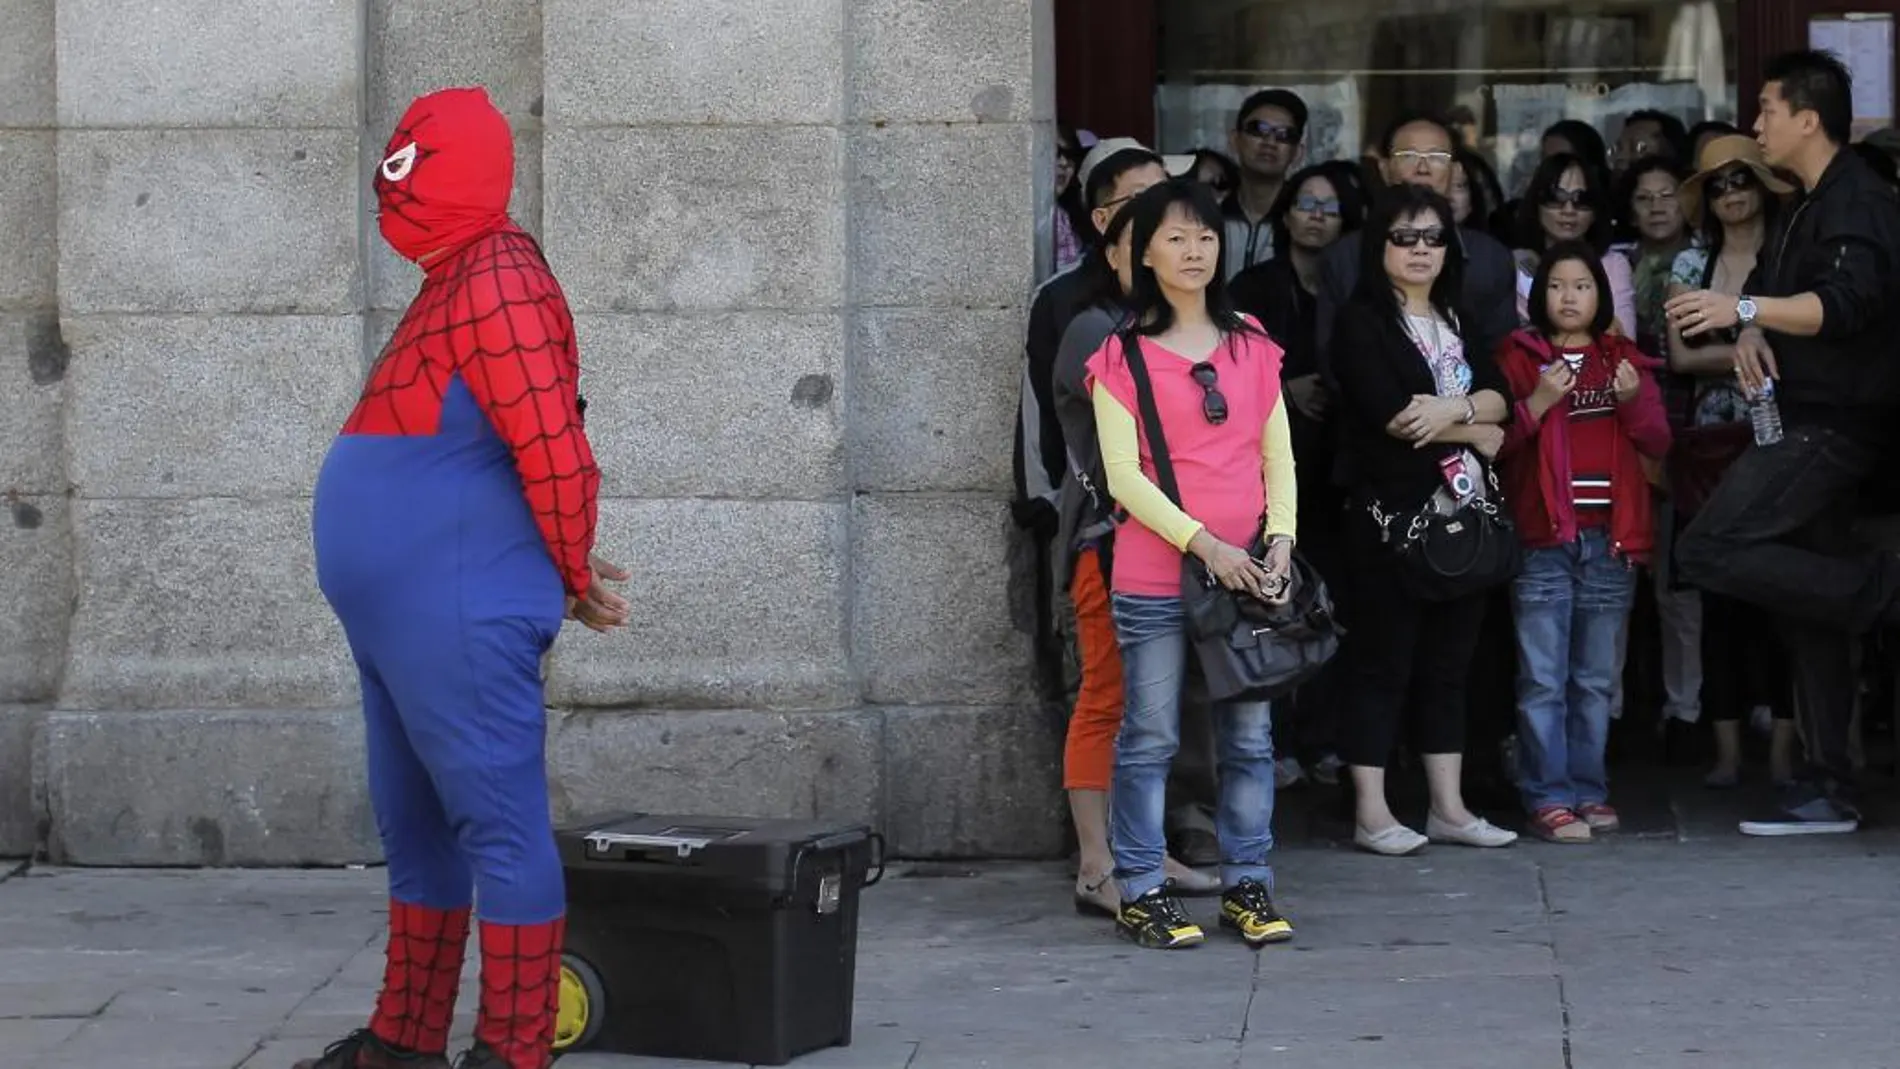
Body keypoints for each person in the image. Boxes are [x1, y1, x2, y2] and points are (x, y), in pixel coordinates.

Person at [300, 87, 630, 1069]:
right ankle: (404, 1039)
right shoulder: (457, 279)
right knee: (416, 827)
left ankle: (514, 1047)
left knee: (496, 826)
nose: (390, 187)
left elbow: (555, 448)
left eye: (409, 167)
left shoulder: (497, 280)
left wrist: (570, 569)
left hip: (454, 598)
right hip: (402, 609)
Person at [1668, 49, 1900, 835]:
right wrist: (1753, 329)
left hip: (1836, 427)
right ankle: (1831, 789)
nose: (1755, 123)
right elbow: (1780, 305)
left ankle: (1879, 590)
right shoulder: (1803, 201)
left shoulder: (1860, 200)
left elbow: (1842, 306)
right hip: (1798, 414)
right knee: (1811, 618)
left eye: (1766, 108)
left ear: (1808, 117)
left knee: (1705, 549)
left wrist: (1739, 312)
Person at [1084, 179, 1297, 949]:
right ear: (1143, 253)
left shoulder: (1253, 343)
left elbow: (1277, 450)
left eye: (1205, 235)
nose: (1194, 249)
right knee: (1149, 735)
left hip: (1249, 577)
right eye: (1175, 237)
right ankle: (1140, 886)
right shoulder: (1121, 354)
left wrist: (1281, 540)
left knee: (1249, 740)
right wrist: (1208, 545)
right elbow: (1123, 478)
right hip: (1155, 575)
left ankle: (1249, 884)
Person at [1327, 183, 1520, 856]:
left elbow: (1505, 398)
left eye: (1432, 237)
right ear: (1379, 244)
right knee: (1383, 663)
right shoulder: (1361, 321)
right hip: (1392, 519)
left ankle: (1449, 807)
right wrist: (1469, 425)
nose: (1419, 249)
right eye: (1404, 236)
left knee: (1450, 666)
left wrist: (1455, 411)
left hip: (1463, 519)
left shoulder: (1457, 317)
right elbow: (1394, 416)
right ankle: (1372, 811)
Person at [1050, 182, 1222, 917]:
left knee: (1157, 709)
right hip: (1112, 541)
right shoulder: (1097, 333)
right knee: (1107, 698)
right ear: (1123, 250)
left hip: (1179, 544)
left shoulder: (1172, 330)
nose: (1179, 253)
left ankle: (1142, 850)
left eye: (1192, 238)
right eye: (1156, 238)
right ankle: (1097, 865)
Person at [1495, 241, 1672, 843]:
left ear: (1602, 295)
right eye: (1557, 286)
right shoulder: (1520, 358)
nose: (1569, 297)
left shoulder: (1624, 360)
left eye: (1582, 286)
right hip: (1543, 539)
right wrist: (1540, 399)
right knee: (1543, 677)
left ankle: (1588, 791)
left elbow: (1658, 440)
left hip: (1611, 543)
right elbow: (1500, 443)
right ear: (1538, 296)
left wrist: (1628, 401)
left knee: (1595, 678)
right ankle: (1548, 796)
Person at [1662, 135, 1798, 788]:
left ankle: (1780, 753)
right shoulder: (1690, 262)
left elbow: (1815, 341)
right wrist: (1760, 344)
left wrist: (1750, 340)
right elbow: (1681, 360)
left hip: (1785, 439)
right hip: (1713, 443)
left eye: (1742, 179)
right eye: (1716, 185)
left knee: (1786, 599)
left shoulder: (1792, 252)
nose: (1731, 194)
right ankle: (1725, 753)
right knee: (1716, 599)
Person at [1223, 89, 1308, 278]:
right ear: (1234, 140)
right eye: (1258, 129)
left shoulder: (1303, 221)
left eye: (1285, 135)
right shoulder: (1210, 214)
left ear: (1298, 153)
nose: (1270, 141)